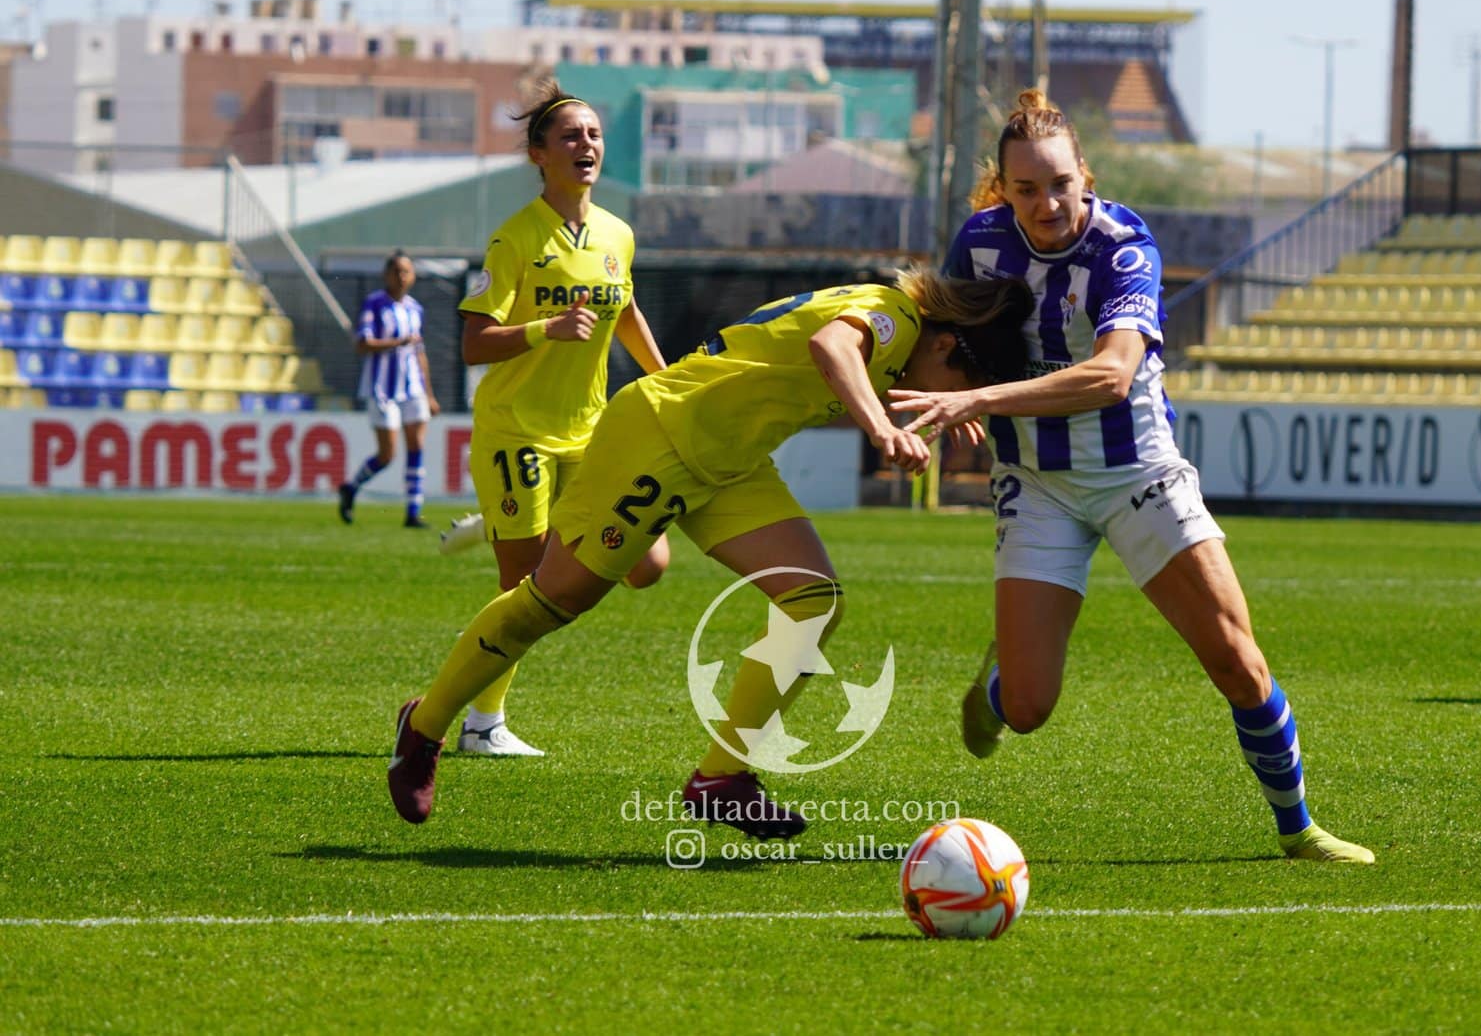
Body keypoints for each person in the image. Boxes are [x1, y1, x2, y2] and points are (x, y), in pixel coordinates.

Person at [889, 89, 1375, 864]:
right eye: (1025, 188)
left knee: (1235, 658)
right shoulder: (979, 244)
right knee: (1030, 706)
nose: (1045, 203)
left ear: (1086, 174)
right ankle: (997, 690)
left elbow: (1113, 375)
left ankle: (1299, 828)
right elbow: (944, 334)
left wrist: (979, 394)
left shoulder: (1122, 246)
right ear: (1003, 190)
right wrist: (940, 391)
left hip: (1135, 469)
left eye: (1058, 183)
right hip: (1038, 480)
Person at [387, 268, 1036, 833]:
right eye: (963, 378)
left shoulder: (900, 338)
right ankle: (424, 725)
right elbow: (829, 346)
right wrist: (880, 426)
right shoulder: (893, 316)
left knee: (813, 598)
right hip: (663, 434)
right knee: (554, 599)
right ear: (947, 342)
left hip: (729, 463)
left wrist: (936, 401)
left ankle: (721, 778)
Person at [446, 79, 673, 757]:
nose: (587, 145)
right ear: (538, 155)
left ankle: (496, 517)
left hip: (588, 431)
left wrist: (666, 383)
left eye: (595, 134)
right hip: (517, 430)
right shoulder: (516, 239)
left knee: (648, 562)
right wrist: (545, 329)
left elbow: (624, 309)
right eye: (571, 135)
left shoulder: (616, 234)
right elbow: (470, 342)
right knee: (523, 589)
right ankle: (482, 724)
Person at [338, 250, 440, 529]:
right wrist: (398, 342)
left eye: (406, 271)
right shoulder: (374, 304)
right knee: (387, 455)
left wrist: (429, 394)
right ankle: (351, 487)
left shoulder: (415, 308)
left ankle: (413, 511)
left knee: (417, 446)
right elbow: (362, 344)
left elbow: (420, 353)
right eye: (397, 271)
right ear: (386, 275)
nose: (402, 276)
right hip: (382, 388)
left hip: (413, 387)